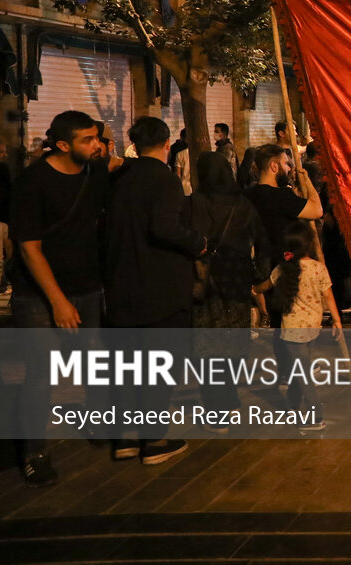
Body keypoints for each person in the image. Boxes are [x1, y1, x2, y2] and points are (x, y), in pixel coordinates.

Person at [8, 111, 111, 486]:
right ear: (64, 144)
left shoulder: (95, 171)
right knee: (41, 373)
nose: (96, 145)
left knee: (94, 362)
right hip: (39, 293)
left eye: (97, 138)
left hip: (87, 284)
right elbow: (29, 247)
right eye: (88, 139)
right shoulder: (33, 182)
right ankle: (34, 452)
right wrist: (57, 301)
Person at [104, 116, 206, 466]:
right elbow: (165, 227)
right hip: (160, 285)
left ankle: (125, 439)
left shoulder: (120, 179)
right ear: (166, 145)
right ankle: (155, 439)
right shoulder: (164, 179)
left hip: (121, 282)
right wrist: (198, 243)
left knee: (127, 367)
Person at [189, 151, 271, 427]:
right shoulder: (243, 204)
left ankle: (216, 406)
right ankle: (231, 396)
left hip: (204, 279)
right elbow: (262, 243)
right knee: (234, 339)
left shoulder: (194, 203)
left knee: (207, 344)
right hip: (237, 278)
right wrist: (259, 277)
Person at [253, 221, 343, 431]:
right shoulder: (318, 269)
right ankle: (293, 405)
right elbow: (328, 296)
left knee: (302, 373)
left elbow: (264, 286)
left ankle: (315, 417)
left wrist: (253, 289)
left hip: (292, 330)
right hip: (313, 327)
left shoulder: (282, 269)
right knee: (298, 368)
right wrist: (337, 321)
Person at [247, 144, 323, 266]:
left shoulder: (250, 192)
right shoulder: (281, 196)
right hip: (283, 267)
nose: (288, 169)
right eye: (285, 163)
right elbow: (317, 210)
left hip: (261, 262)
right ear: (274, 166)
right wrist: (307, 182)